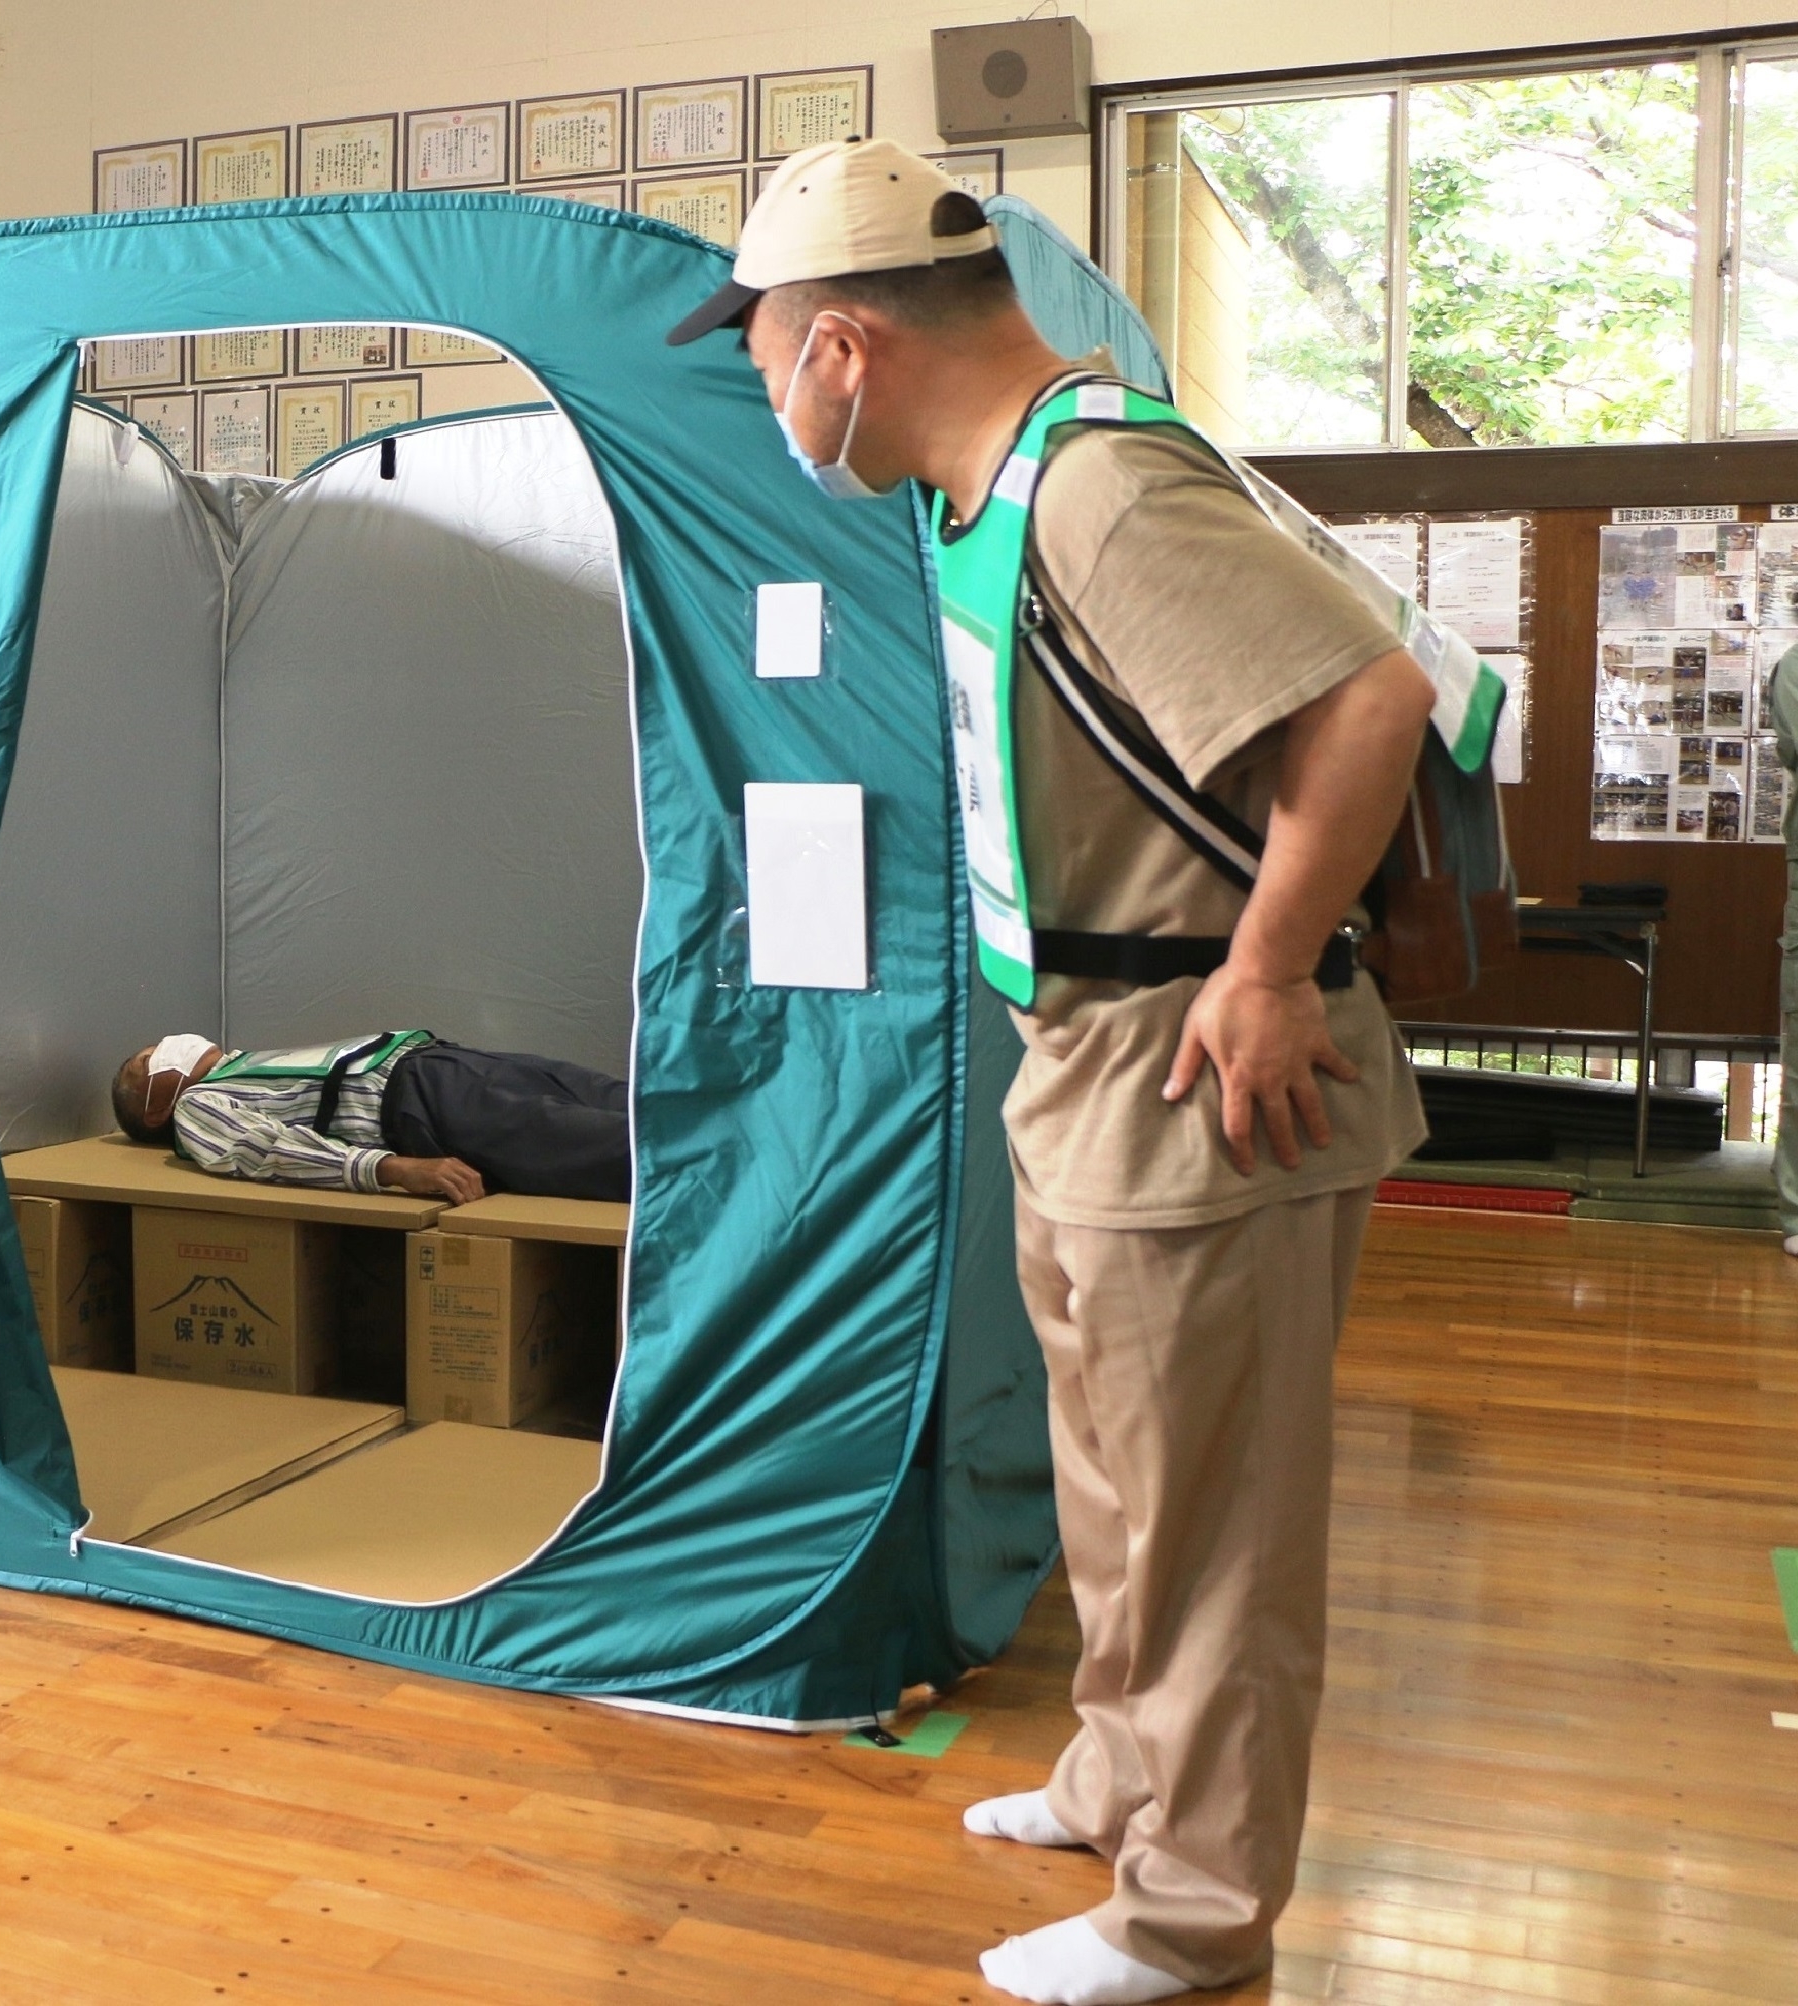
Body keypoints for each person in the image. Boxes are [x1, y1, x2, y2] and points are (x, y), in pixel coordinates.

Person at [673, 137, 1436, 2006]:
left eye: (765, 355)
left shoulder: (1097, 481)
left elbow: (1371, 701)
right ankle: (1117, 1782)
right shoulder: (994, 489)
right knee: (1113, 1492)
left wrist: (1268, 970)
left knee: (1209, 1535)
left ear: (841, 345)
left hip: (1202, 1076)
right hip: (1086, 1062)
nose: (773, 400)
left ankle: (1194, 1913)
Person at [107, 1030, 628, 1203]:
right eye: (149, 1057)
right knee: (605, 1143)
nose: (165, 1043)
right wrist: (394, 1169)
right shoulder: (196, 1108)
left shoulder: (241, 1066)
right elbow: (266, 1151)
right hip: (421, 1101)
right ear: (154, 1110)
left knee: (621, 1098)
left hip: (440, 1063)